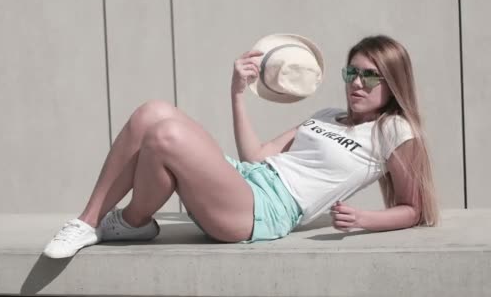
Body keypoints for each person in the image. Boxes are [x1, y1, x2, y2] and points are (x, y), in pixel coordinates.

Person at [42, 34, 438, 259]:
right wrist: (238, 93)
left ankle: (129, 221)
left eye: (370, 77)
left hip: (265, 211)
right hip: (245, 180)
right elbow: (257, 156)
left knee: (165, 137)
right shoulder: (328, 114)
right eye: (352, 72)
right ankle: (92, 222)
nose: (356, 83)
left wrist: (365, 221)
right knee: (152, 112)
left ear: (392, 82)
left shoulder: (395, 130)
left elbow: (414, 208)